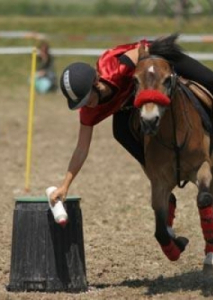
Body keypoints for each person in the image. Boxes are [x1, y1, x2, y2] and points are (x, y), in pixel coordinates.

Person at [49, 33, 213, 204]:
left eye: (87, 99)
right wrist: (65, 185)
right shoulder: (89, 111)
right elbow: (81, 149)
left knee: (210, 80)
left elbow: (143, 54)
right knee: (120, 132)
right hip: (130, 98)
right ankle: (159, 174)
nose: (87, 105)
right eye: (81, 103)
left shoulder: (114, 68)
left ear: (96, 82)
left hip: (154, 56)